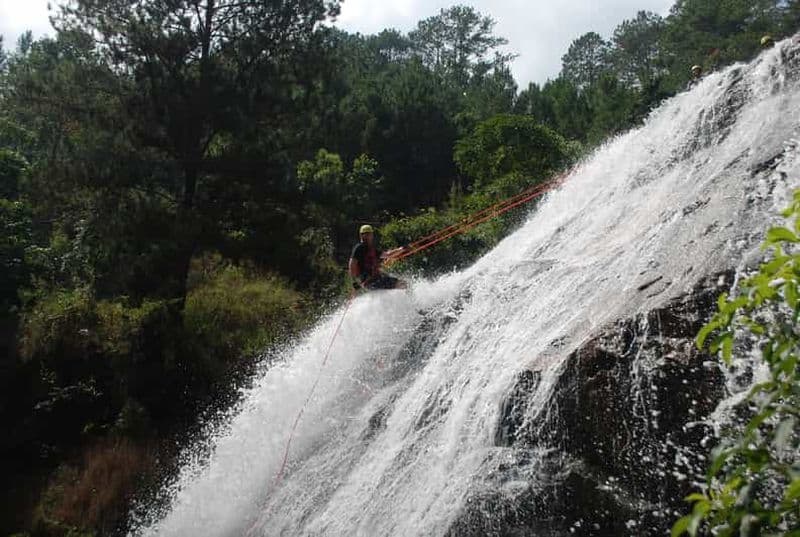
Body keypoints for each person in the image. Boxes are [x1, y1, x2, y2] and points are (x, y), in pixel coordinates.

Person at [349, 224, 407, 291]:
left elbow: (388, 254)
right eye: (366, 234)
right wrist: (354, 282)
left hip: (375, 279)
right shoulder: (359, 248)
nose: (369, 236)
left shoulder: (372, 249)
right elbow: (351, 264)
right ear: (361, 235)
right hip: (369, 281)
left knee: (401, 284)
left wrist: (401, 249)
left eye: (369, 234)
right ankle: (413, 300)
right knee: (403, 284)